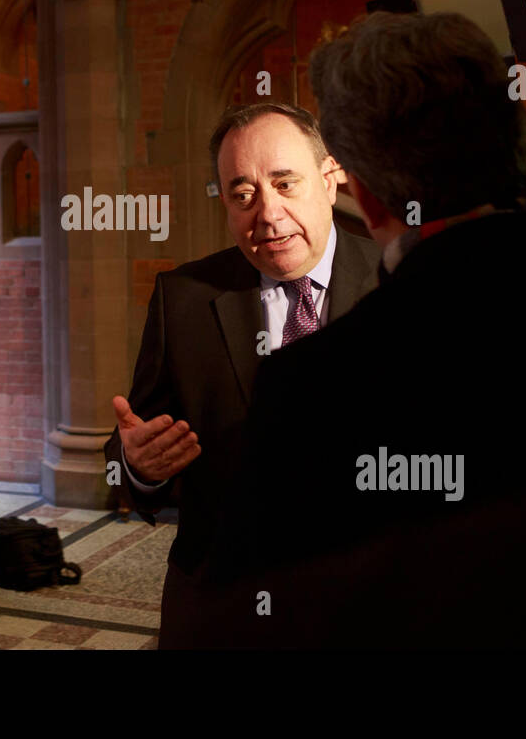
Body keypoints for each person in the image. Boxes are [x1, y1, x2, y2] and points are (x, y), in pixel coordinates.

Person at [207, 12, 526, 648]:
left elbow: (254, 624)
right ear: (520, 135)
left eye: (286, 182)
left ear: (358, 192)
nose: (268, 211)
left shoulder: (314, 387)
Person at [103, 102, 380, 648]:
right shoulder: (183, 299)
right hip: (222, 606)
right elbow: (134, 443)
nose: (268, 215)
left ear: (330, 179)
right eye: (244, 195)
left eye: (285, 184)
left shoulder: (401, 278)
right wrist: (138, 467)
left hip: (367, 605)